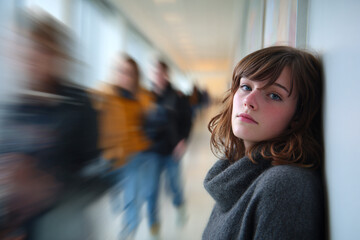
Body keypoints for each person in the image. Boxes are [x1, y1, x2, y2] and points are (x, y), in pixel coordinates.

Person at [202, 46, 324, 240]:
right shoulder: (238, 170)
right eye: (246, 87)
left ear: (298, 116)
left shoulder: (285, 186)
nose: (249, 101)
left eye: (274, 95)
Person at [0, 11, 99, 240]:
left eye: (40, 50)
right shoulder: (14, 105)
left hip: (62, 224)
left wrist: (49, 186)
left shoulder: (78, 103)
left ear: (56, 55)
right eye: (25, 51)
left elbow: (98, 174)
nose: (31, 58)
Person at [98, 55, 151, 239]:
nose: (125, 77)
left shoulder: (141, 98)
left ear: (136, 77)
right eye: (121, 72)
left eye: (129, 74)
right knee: (115, 199)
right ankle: (128, 218)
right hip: (109, 158)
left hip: (133, 156)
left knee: (132, 197)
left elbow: (150, 119)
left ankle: (129, 229)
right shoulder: (104, 95)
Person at [142, 60, 192, 237]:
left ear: (166, 74)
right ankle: (153, 225)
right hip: (151, 151)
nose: (157, 76)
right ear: (150, 75)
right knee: (151, 191)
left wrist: (183, 140)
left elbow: (187, 120)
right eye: (154, 72)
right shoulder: (144, 96)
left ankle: (180, 206)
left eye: (160, 73)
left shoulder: (177, 96)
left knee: (174, 186)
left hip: (172, 149)